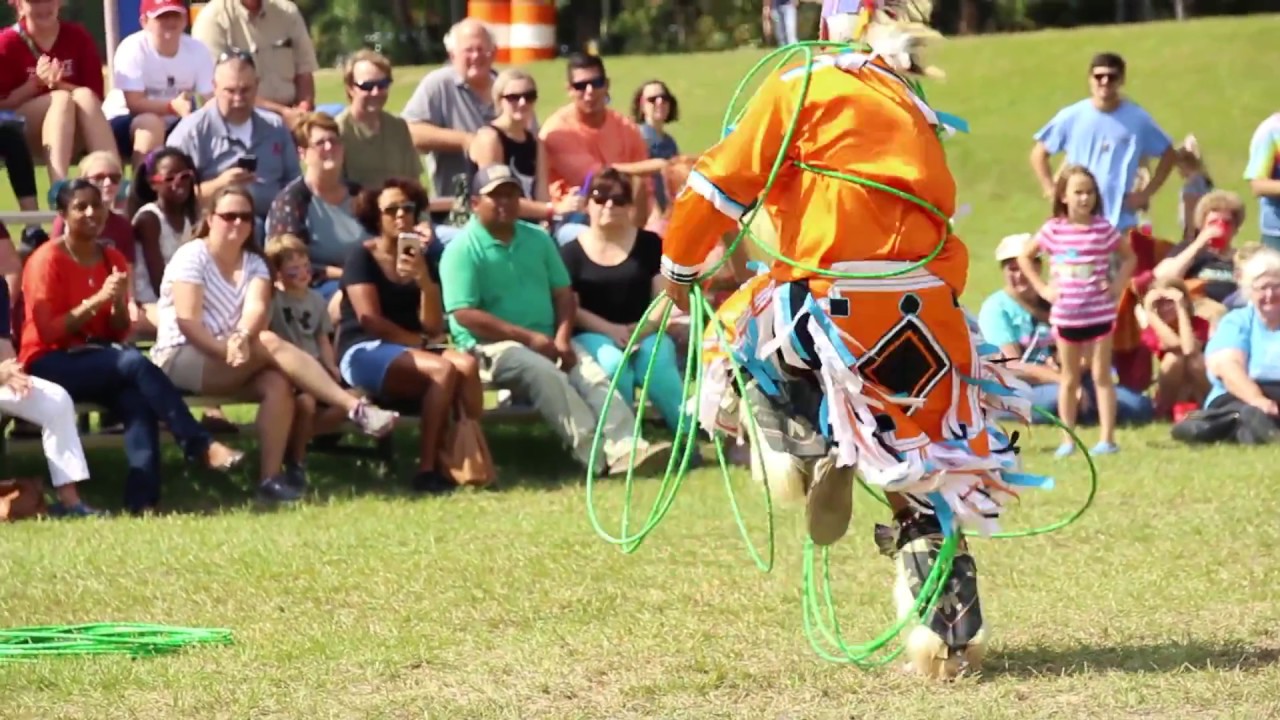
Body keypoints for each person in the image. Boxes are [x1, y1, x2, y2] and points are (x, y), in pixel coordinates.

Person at [654, 0, 1051, 679]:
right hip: (930, 313)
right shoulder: (911, 103)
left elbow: (718, 186)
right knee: (924, 473)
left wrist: (679, 266)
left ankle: (802, 442)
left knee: (740, 336)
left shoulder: (799, 86)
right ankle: (947, 639)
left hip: (836, 306)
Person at [150, 186, 399, 502]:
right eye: (228, 216)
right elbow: (188, 322)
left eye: (244, 217)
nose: (237, 224)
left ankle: (270, 479)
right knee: (269, 341)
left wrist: (240, 339)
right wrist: (225, 349)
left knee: (277, 382)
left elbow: (255, 309)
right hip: (181, 357)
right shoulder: (192, 256)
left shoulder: (255, 263)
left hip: (236, 355)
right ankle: (354, 408)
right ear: (210, 219)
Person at [21, 180, 245, 515]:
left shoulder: (111, 256)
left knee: (136, 399)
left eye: (96, 205)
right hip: (50, 360)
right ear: (63, 214)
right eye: (80, 207)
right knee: (132, 364)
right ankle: (199, 444)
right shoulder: (46, 260)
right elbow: (49, 330)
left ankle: (143, 502)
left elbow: (118, 328)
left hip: (97, 357)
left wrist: (116, 304)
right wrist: (97, 300)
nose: (91, 213)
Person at [339, 178, 488, 494]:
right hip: (364, 350)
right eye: (390, 210)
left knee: (466, 366)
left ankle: (465, 453)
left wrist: (424, 281)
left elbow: (433, 326)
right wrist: (416, 343)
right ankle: (427, 468)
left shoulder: (424, 257)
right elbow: (370, 319)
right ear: (375, 217)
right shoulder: (360, 257)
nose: (400, 216)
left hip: (414, 349)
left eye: (406, 208)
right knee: (443, 369)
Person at [1016, 165, 1137, 457]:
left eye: (1090, 192)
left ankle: (1107, 438)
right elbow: (1025, 255)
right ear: (1064, 196)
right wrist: (1043, 288)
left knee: (1101, 376)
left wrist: (1118, 284)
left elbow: (1129, 256)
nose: (1085, 199)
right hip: (1066, 316)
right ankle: (1067, 440)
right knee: (1069, 378)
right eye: (1078, 192)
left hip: (1099, 314)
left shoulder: (1103, 229)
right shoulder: (1053, 230)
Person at [561, 170, 685, 432]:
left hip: (646, 329)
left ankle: (686, 433)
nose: (609, 205)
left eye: (619, 199)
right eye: (600, 197)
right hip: (592, 333)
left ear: (630, 206)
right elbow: (571, 306)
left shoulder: (650, 244)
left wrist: (643, 330)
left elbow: (665, 295)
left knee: (658, 360)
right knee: (612, 364)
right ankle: (627, 440)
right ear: (586, 204)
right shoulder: (570, 252)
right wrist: (611, 330)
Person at [0, 0, 119, 186]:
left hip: (76, 130)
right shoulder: (7, 42)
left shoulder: (78, 36)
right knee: (61, 100)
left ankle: (113, 180)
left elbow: (96, 98)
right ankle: (60, 189)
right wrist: (36, 85)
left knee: (84, 96)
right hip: (23, 134)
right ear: (19, 6)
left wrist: (59, 84)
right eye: (35, 2)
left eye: (49, 0)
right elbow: (3, 103)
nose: (44, 8)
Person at [264, 234, 348, 487]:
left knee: (349, 403)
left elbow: (322, 337)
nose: (302, 273)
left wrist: (331, 366)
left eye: (305, 267)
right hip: (292, 371)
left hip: (317, 366)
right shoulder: (274, 300)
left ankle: (294, 441)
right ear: (278, 273)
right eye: (293, 270)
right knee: (306, 403)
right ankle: (297, 462)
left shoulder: (317, 300)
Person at [102, 0, 215, 164]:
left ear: (185, 20)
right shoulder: (132, 48)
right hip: (124, 121)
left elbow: (210, 97)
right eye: (162, 17)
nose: (170, 22)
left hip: (176, 122)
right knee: (150, 123)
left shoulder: (198, 50)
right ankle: (142, 187)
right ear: (144, 22)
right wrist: (172, 106)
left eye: (175, 16)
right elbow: (134, 104)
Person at [128, 147, 200, 331]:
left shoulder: (186, 218)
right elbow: (158, 279)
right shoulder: (149, 219)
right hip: (151, 301)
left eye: (185, 176)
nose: (179, 183)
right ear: (153, 184)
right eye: (169, 178)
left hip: (179, 294)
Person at [1140, 277, 1209, 422]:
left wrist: (1181, 308)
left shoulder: (1200, 323)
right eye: (1159, 304)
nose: (1165, 308)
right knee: (1174, 358)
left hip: (1196, 389)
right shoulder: (1151, 330)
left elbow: (1189, 349)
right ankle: (1165, 411)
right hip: (1170, 392)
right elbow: (1177, 346)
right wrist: (1150, 314)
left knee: (1195, 360)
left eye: (1170, 302)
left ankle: (1207, 408)